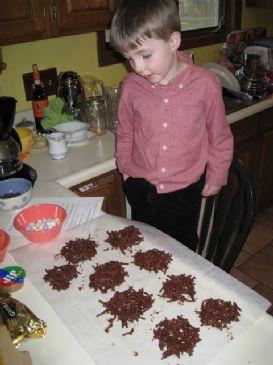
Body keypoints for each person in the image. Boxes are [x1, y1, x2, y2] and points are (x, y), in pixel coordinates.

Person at [110, 0, 234, 251]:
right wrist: (125, 167)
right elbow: (126, 131)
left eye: (145, 55)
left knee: (182, 250)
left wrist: (217, 174)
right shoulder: (131, 85)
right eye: (129, 58)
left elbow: (219, 136)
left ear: (173, 41)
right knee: (144, 247)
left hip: (183, 189)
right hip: (140, 185)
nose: (137, 67)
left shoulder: (206, 84)